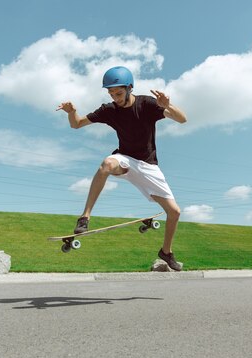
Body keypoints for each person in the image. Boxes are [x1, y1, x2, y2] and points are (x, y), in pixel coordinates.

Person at [57, 66, 187, 271]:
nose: (115, 98)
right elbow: (77, 124)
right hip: (125, 160)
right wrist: (72, 111)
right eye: (111, 93)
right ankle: (85, 217)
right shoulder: (109, 110)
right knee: (107, 164)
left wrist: (169, 106)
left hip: (148, 165)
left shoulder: (147, 104)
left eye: (118, 93)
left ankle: (166, 252)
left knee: (175, 212)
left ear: (130, 88)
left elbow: (182, 119)